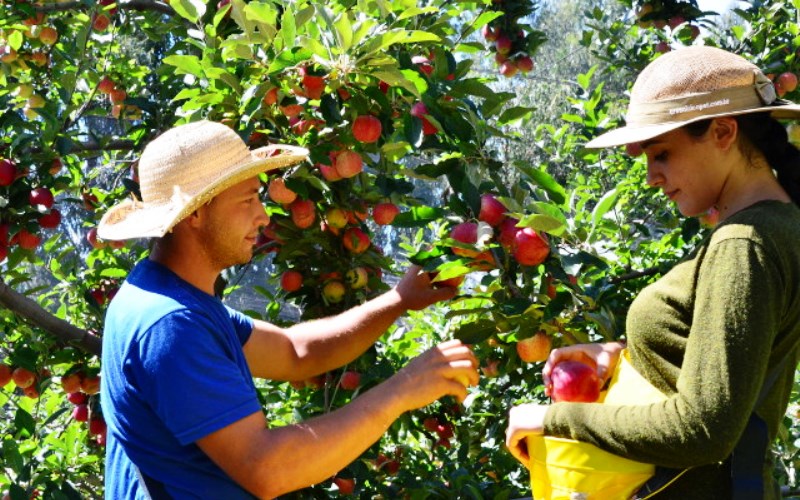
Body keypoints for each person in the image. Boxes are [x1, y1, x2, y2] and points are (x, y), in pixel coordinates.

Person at [97, 120, 478, 499]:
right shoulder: (171, 323)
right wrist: (401, 390)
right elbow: (267, 468)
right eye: (247, 200)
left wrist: (400, 299)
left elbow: (295, 351)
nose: (263, 216)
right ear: (194, 213)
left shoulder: (167, 296)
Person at [505, 45, 800, 499]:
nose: (650, 176)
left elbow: (703, 429)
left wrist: (550, 420)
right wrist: (626, 354)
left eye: (661, 153)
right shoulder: (780, 225)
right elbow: (732, 360)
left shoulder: (744, 243)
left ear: (723, 132)